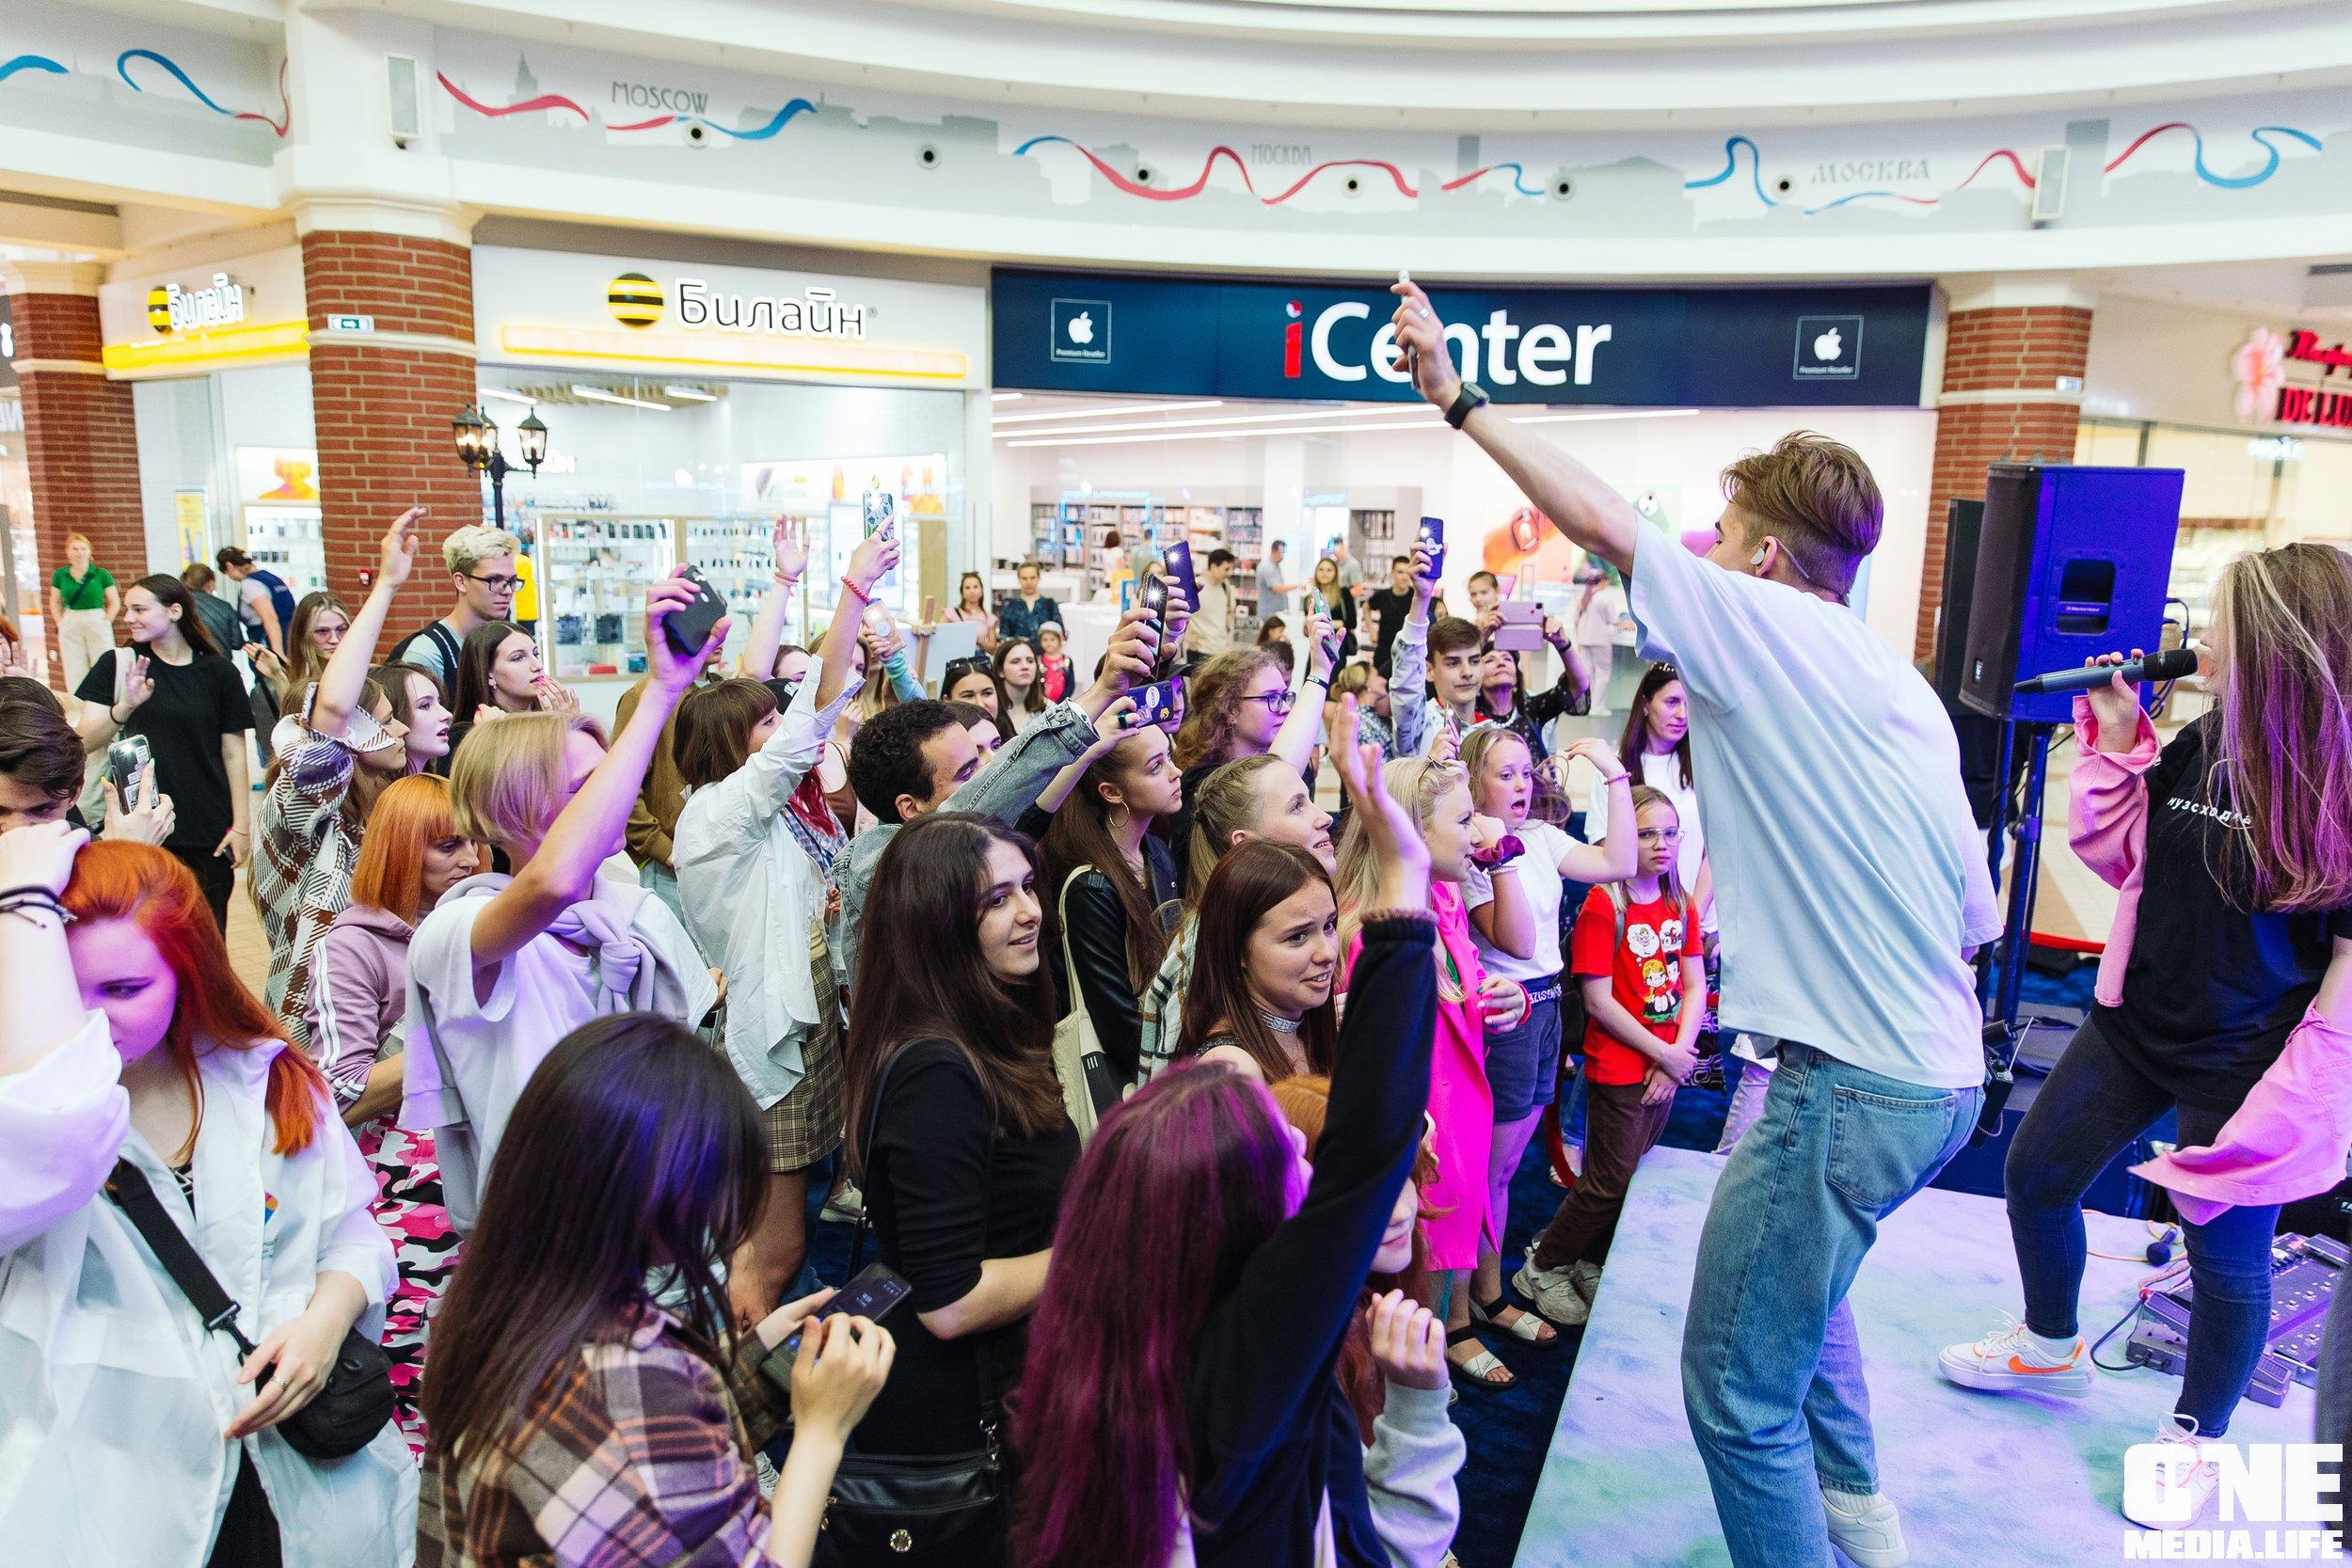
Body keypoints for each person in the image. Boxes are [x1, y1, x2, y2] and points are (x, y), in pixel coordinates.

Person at [1392, 277, 1996, 1568]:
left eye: (1721, 535)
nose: (1702, 560)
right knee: (1809, 1307)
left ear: (1770, 559)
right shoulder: (1894, 680)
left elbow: (1606, 521)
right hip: (1938, 1078)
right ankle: (1863, 1527)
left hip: (1851, 1085)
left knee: (1735, 1390)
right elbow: (1974, 917)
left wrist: (1460, 399)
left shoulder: (1763, 618)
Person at [1940, 545, 2352, 1528]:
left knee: (2225, 1260)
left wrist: (2293, 1107)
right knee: (2036, 1174)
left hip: (2245, 1057)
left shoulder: (2336, 781)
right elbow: (2130, 855)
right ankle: (2049, 1339)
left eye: (2221, 627)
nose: (2200, 642)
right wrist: (2120, 736)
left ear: (2281, 646)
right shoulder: (2209, 734)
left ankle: (2195, 1434)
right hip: (2135, 1021)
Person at [1010, 698, 1442, 1568]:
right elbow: (1363, 1161)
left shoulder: (1117, 1352)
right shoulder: (1245, 1372)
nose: (1304, 1159)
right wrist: (1402, 892)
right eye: (1287, 1155)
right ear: (1229, 1215)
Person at [0, 827, 414, 1566]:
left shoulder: (269, 1080)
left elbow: (352, 1231)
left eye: (125, 989)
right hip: (116, 1497)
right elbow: (47, 1146)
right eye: (66, 989)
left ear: (188, 972)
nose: (91, 1019)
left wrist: (324, 1322)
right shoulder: (28, 1133)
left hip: (302, 1479)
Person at [417, 1013, 893, 1568]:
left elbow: (632, 1460)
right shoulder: (623, 1377)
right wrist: (823, 1429)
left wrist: (764, 1361)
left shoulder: (506, 1309)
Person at [399, 578, 725, 1230]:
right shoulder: (456, 929)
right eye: (589, 784)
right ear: (511, 806)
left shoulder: (639, 916)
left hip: (657, 1229)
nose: (616, 793)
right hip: (542, 1245)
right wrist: (659, 692)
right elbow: (550, 883)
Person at [839, 815, 1078, 1565]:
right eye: (998, 899)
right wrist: (1100, 1245)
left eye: (1029, 886)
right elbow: (949, 1300)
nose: (1030, 910)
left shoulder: (975, 1036)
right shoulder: (937, 1069)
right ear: (938, 925)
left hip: (1003, 1388)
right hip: (967, 1411)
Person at [670, 532, 885, 1324]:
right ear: (731, 747)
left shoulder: (776, 812)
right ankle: (737, 1405)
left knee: (792, 1231)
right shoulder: (717, 813)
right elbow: (812, 711)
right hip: (775, 1047)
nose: (782, 729)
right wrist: (849, 591)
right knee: (773, 1247)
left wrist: (787, 584)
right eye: (762, 724)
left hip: (814, 1026)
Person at [1334, 753, 1531, 1390]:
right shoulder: (1370, 930)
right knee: (1418, 1249)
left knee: (1456, 1224)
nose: (1481, 832)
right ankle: (1426, 1352)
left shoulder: (1443, 895)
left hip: (1462, 1103)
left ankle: (1454, 1324)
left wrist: (1507, 997)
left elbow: (1468, 983)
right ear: (1413, 834)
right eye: (1465, 818)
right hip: (1421, 1117)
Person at [835, 605, 1157, 989]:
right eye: (969, 775)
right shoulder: (879, 865)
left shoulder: (976, 847)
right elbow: (972, 806)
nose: (989, 777)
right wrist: (1101, 690)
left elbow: (1034, 807)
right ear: (910, 807)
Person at [307, 772, 478, 1450]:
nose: (469, 857)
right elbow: (337, 1092)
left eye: (473, 840)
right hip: (402, 1195)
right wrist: (455, 1034)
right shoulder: (352, 946)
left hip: (479, 1167)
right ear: (403, 850)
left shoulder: (474, 924)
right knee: (417, 1379)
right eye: (446, 845)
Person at [1458, 722, 1634, 1347]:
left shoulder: (1538, 835)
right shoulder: (1476, 850)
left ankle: (1488, 1292)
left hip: (1548, 1005)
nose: (1521, 785)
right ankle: (1479, 1298)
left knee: (1504, 1170)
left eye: (1525, 772)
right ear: (1474, 780)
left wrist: (1613, 774)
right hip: (1509, 1013)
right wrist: (1498, 847)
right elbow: (1520, 942)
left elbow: (1620, 861)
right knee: (1492, 1171)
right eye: (1504, 774)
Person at [252, 511, 446, 1050]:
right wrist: (386, 584)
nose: (403, 728)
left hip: (385, 1027)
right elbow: (333, 712)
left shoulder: (380, 807)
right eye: (388, 721)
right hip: (312, 1028)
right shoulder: (305, 812)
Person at [1517, 785, 1706, 1329]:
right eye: (1646, 833)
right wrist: (1667, 1055)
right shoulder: (1606, 903)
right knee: (1609, 1177)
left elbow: (1694, 984)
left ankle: (1590, 1259)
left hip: (1664, 1065)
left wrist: (1678, 1055)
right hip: (1621, 1066)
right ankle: (1544, 1263)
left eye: (1670, 833)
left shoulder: (1680, 902)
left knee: (1628, 1174)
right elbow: (1599, 1002)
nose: (1660, 844)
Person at [1268, 1074, 1461, 1568]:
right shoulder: (1292, 1350)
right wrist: (1418, 1406)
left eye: (1403, 1178)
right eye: (1362, 1194)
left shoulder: (1375, 1277)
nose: (1399, 1213)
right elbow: (1374, 1551)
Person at [1137, 752, 1339, 1082]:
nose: (1324, 818)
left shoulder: (1301, 1018)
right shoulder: (1230, 1066)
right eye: (1297, 807)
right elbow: (1168, 1088)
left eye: (1329, 926)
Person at [72, 575, 253, 930]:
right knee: (147, 935)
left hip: (207, 831)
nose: (128, 618)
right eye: (126, 609)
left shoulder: (218, 673)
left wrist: (242, 828)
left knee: (206, 938)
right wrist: (124, 707)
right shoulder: (119, 665)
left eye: (139, 609)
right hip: (140, 826)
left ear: (174, 611)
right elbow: (83, 742)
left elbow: (234, 753)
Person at [1038, 721, 1184, 1087]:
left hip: (1164, 1048)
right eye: (1156, 766)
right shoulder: (1092, 886)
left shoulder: (1157, 852)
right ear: (1111, 791)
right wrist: (1178, 1070)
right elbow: (1115, 1023)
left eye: (1170, 756)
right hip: (1128, 1074)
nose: (1175, 772)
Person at [1167, 612, 1333, 886]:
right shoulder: (1199, 782)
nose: (1285, 708)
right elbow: (1273, 775)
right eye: (1271, 698)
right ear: (1230, 709)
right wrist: (1319, 674)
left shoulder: (1292, 773)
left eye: (1284, 696)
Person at [1180, 840, 1340, 1084]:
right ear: (1237, 951)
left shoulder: (1311, 1028)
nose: (1327, 953)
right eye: (1297, 937)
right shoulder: (1231, 1071)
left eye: (1328, 926)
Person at [389, 525, 523, 689]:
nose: (508, 591)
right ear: (461, 581)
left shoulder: (506, 641)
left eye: (512, 581)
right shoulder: (427, 653)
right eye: (494, 580)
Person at [1472, 622, 1590, 757]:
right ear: (1476, 675)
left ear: (1517, 676)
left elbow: (1579, 685)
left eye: (1507, 659)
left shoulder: (1530, 709)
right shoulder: (1468, 716)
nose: (1501, 663)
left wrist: (1562, 644)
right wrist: (1481, 635)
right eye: (1489, 660)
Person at [49, 532, 121, 692]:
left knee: (103, 659)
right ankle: (79, 703)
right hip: (71, 617)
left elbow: (114, 600)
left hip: (96, 616)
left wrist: (107, 620)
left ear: (90, 551)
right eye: (75, 549)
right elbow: (55, 601)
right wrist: (60, 622)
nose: (79, 552)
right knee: (73, 663)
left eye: (83, 548)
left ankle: (105, 696)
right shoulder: (60, 575)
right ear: (68, 552)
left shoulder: (101, 574)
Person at [215, 546, 294, 661]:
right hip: (292, 638)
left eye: (227, 574)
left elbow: (270, 619)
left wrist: (278, 654)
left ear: (229, 566)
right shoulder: (272, 578)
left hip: (270, 645)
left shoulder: (250, 584)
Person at [1573, 562, 1630, 719]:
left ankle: (1587, 704)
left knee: (1588, 674)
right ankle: (1597, 707)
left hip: (1584, 639)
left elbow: (1576, 621)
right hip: (1600, 640)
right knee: (1603, 673)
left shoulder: (1584, 597)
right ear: (1604, 581)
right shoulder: (1604, 598)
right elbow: (1614, 621)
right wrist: (1630, 623)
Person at [179, 562, 246, 665]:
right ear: (209, 583)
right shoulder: (225, 606)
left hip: (190, 666)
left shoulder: (178, 606)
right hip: (222, 666)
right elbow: (237, 643)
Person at [1366, 554, 1417, 676]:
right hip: (1384, 650)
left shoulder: (1416, 596)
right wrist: (1371, 630)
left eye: (1407, 572)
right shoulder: (1382, 596)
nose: (1404, 577)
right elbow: (1366, 607)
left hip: (1408, 652)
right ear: (1392, 573)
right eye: (1400, 572)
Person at [943, 653, 1010, 740]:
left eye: (987, 693)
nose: (980, 704)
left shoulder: (1016, 745)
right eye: (968, 696)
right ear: (947, 700)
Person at [996, 559, 1060, 646]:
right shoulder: (1010, 607)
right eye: (1024, 578)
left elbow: (1059, 636)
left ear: (1038, 578)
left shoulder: (1050, 605)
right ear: (1019, 579)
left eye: (1032, 577)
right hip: (1018, 656)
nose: (1029, 582)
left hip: (1045, 658)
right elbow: (1003, 639)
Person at [1190, 546, 1239, 657]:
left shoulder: (1225, 585)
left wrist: (1228, 637)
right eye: (1226, 569)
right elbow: (1182, 614)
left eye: (1231, 569)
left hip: (1220, 650)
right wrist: (1186, 635)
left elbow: (1230, 611)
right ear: (1213, 567)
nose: (1229, 573)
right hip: (1199, 650)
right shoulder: (1196, 585)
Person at [1313, 554, 1360, 663]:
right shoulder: (1311, 597)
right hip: (1316, 649)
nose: (1324, 573)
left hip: (1337, 647)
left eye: (1329, 570)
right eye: (1321, 570)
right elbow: (1307, 629)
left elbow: (1352, 623)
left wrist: (1325, 624)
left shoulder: (1344, 594)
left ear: (1335, 573)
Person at [998, 637, 1049, 735]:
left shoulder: (1049, 710)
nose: (1025, 666)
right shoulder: (990, 710)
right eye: (1016, 661)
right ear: (1000, 670)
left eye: (1030, 661)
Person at [946, 568, 999, 653]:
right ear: (962, 592)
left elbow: (993, 649)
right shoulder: (950, 614)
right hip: (955, 659)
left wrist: (979, 640)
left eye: (975, 587)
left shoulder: (989, 618)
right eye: (967, 588)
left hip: (979, 662)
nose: (972, 591)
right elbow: (941, 638)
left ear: (981, 591)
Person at [1255, 537, 1300, 617]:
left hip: (1277, 613)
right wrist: (1297, 586)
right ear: (1273, 551)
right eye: (1281, 554)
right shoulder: (1267, 567)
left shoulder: (1275, 566)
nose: (1283, 557)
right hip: (1269, 614)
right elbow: (1277, 588)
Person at [1036, 620, 1073, 703]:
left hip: (1062, 703)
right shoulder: (1038, 660)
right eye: (1045, 640)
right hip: (1042, 702)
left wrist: (1062, 701)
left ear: (1060, 640)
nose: (1048, 643)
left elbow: (1070, 685)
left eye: (1052, 639)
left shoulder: (1067, 660)